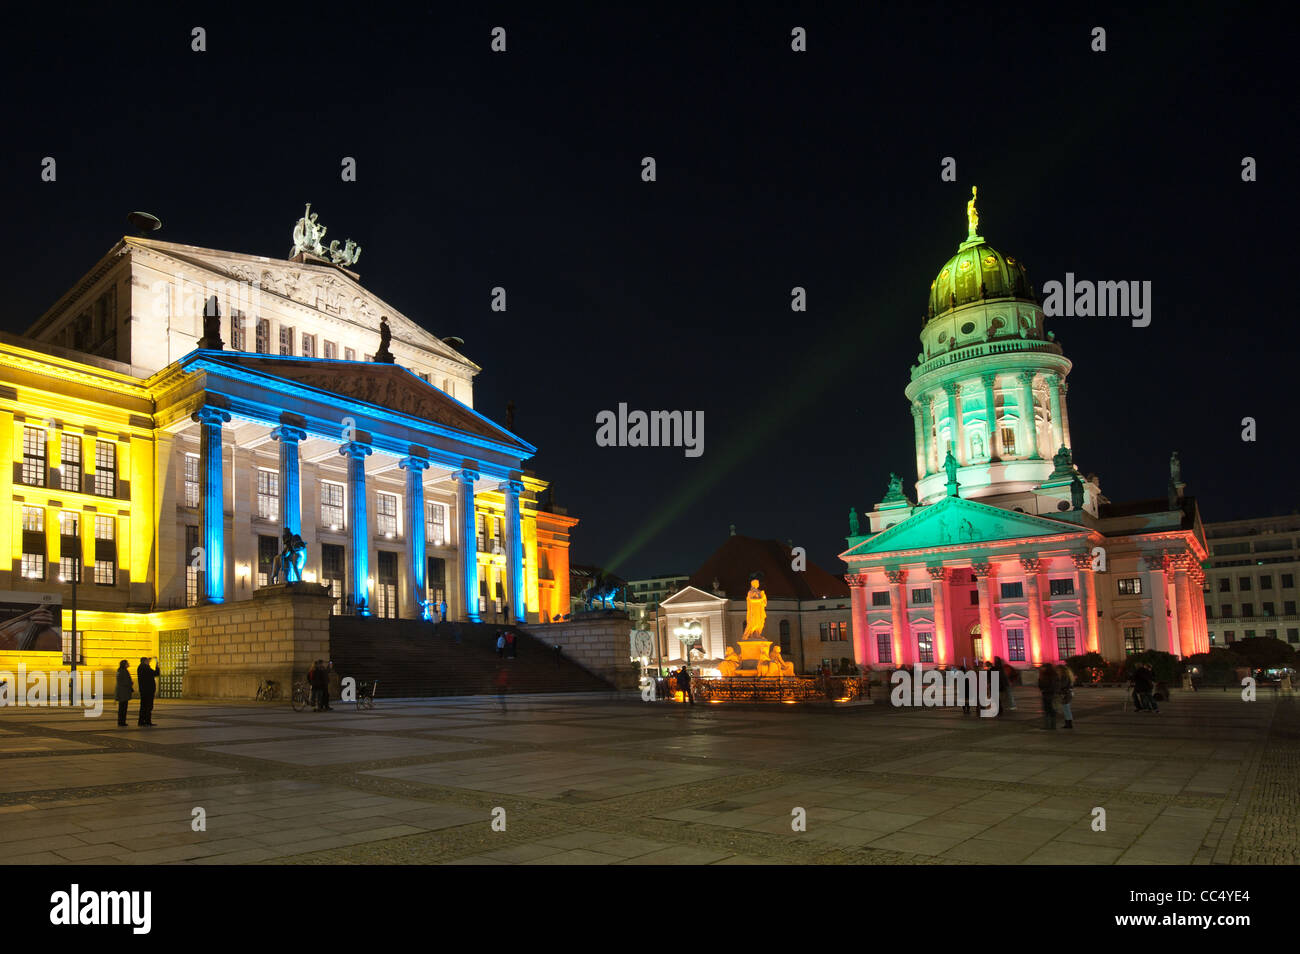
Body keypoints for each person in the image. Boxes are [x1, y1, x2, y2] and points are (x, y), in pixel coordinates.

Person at [136, 657, 159, 726]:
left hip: (144, 690)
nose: (149, 662)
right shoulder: (145, 668)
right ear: (145, 661)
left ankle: (142, 721)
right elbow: (156, 673)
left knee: (144, 706)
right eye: (147, 661)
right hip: (148, 690)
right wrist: (157, 666)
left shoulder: (141, 667)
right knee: (148, 706)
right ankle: (146, 721)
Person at [1037, 663, 1058, 730]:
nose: (1042, 669)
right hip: (1049, 694)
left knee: (1048, 710)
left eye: (1043, 667)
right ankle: (1051, 725)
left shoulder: (1048, 676)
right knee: (1050, 710)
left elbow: (1043, 685)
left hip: (1048, 694)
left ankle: (1049, 725)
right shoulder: (1053, 675)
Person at [114, 660, 133, 727]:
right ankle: (121, 722)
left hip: (123, 692)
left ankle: (122, 721)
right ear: (124, 664)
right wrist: (129, 683)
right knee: (123, 708)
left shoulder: (121, 670)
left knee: (123, 707)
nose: (128, 664)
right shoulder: (122, 671)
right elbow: (121, 681)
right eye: (127, 663)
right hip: (123, 692)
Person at [1056, 664, 1075, 729]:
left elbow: (1062, 685)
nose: (1057, 671)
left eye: (1058, 670)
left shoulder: (1064, 677)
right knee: (1066, 709)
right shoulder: (1067, 676)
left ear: (1062, 670)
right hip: (1067, 693)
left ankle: (1068, 724)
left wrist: (1057, 687)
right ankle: (1068, 723)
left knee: (1066, 709)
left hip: (1065, 694)